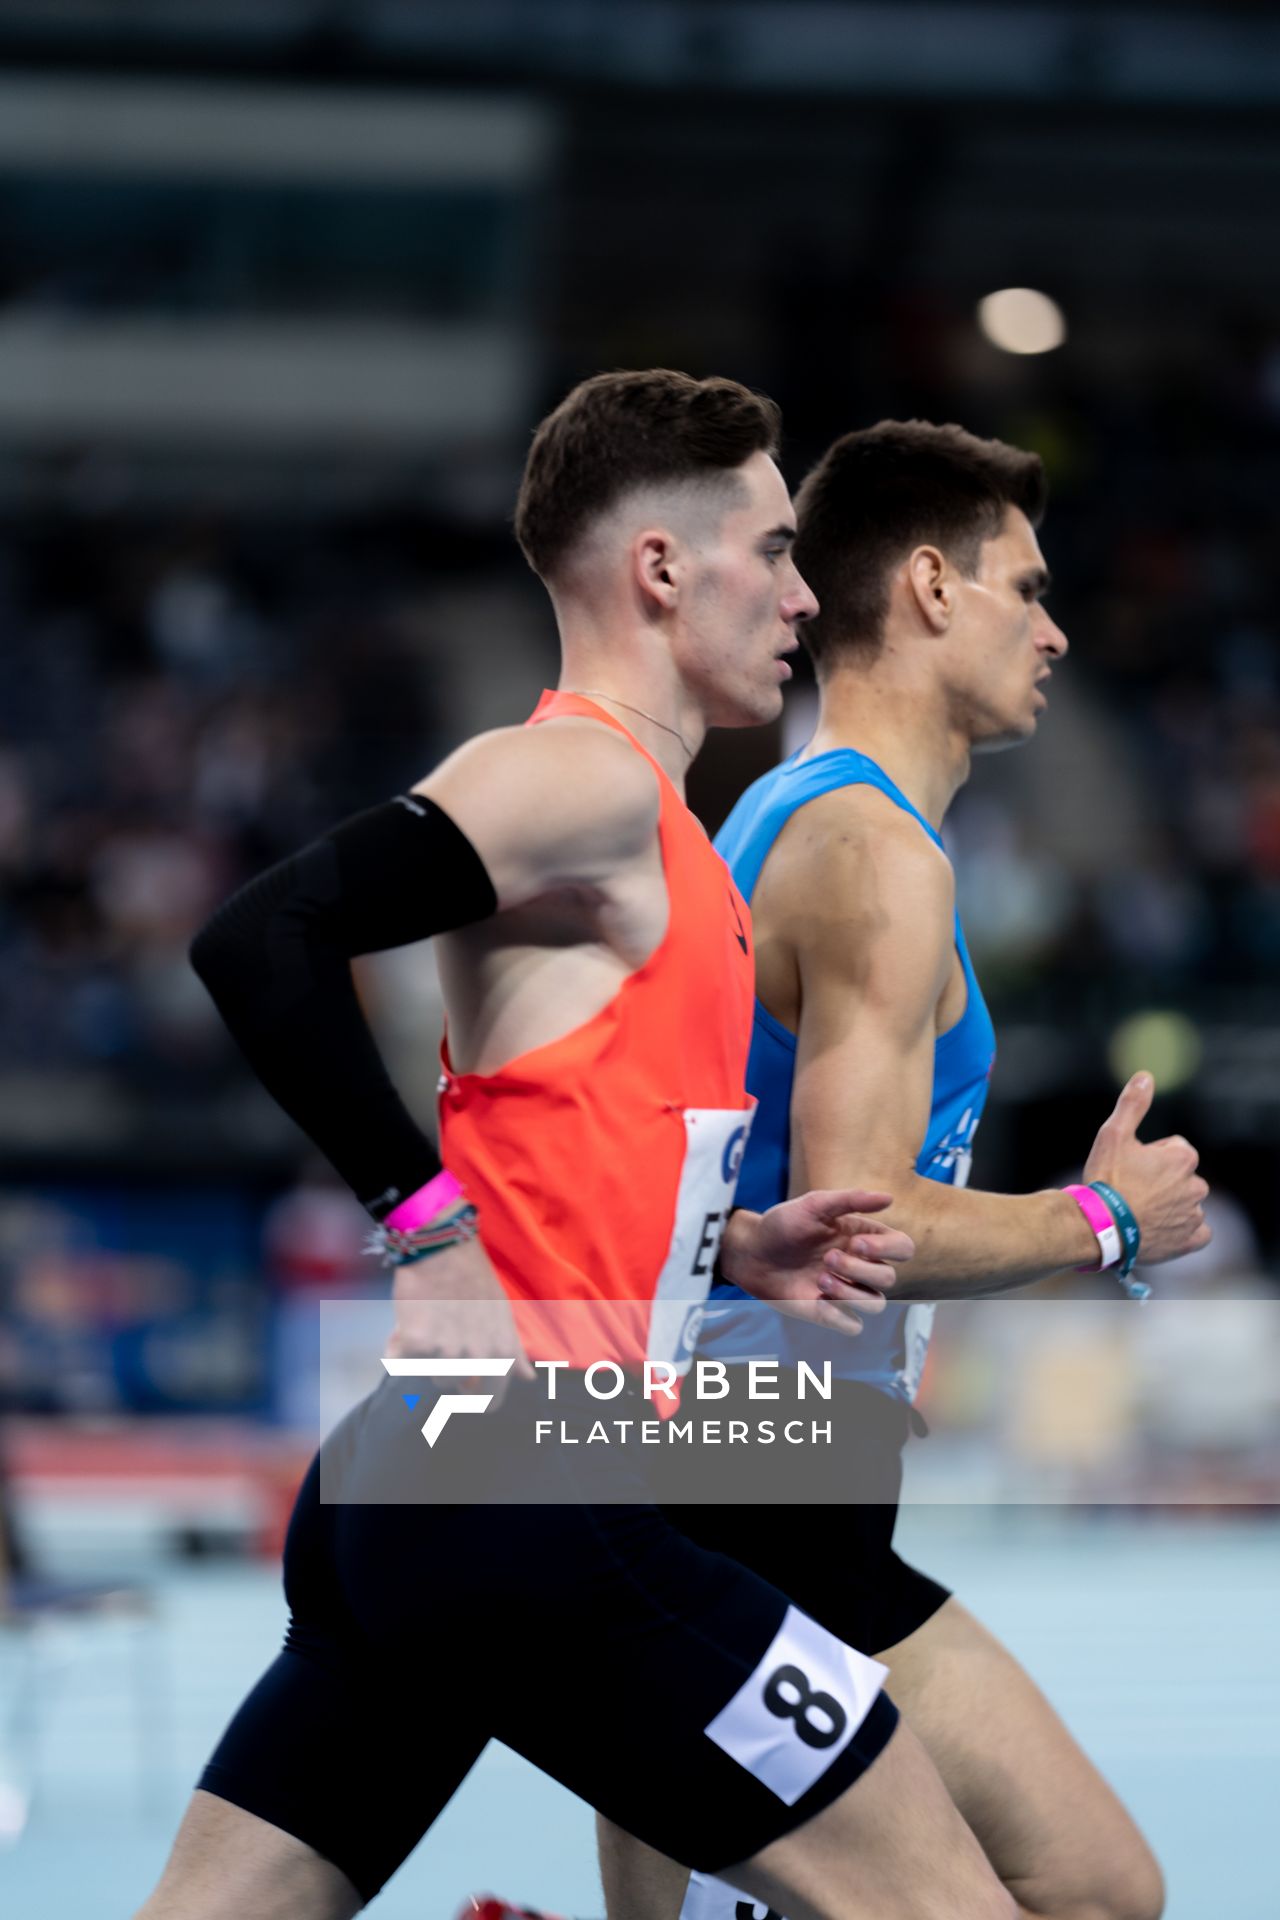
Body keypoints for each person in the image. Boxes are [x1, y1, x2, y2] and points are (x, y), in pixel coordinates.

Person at [134, 375, 1022, 1920]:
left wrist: (726, 1247)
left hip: (417, 1499)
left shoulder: (662, 828)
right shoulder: (585, 776)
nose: (809, 596)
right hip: (532, 1486)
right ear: (664, 571)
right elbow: (256, 938)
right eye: (775, 549)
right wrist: (423, 1223)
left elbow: (566, 1128)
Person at [597, 421, 1210, 1920]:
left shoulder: (773, 815)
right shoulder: (878, 855)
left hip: (733, 1467)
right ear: (932, 588)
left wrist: (861, 1377)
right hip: (751, 1501)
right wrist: (1108, 1222)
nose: (1058, 630)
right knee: (1092, 1887)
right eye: (1028, 589)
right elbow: (855, 1226)